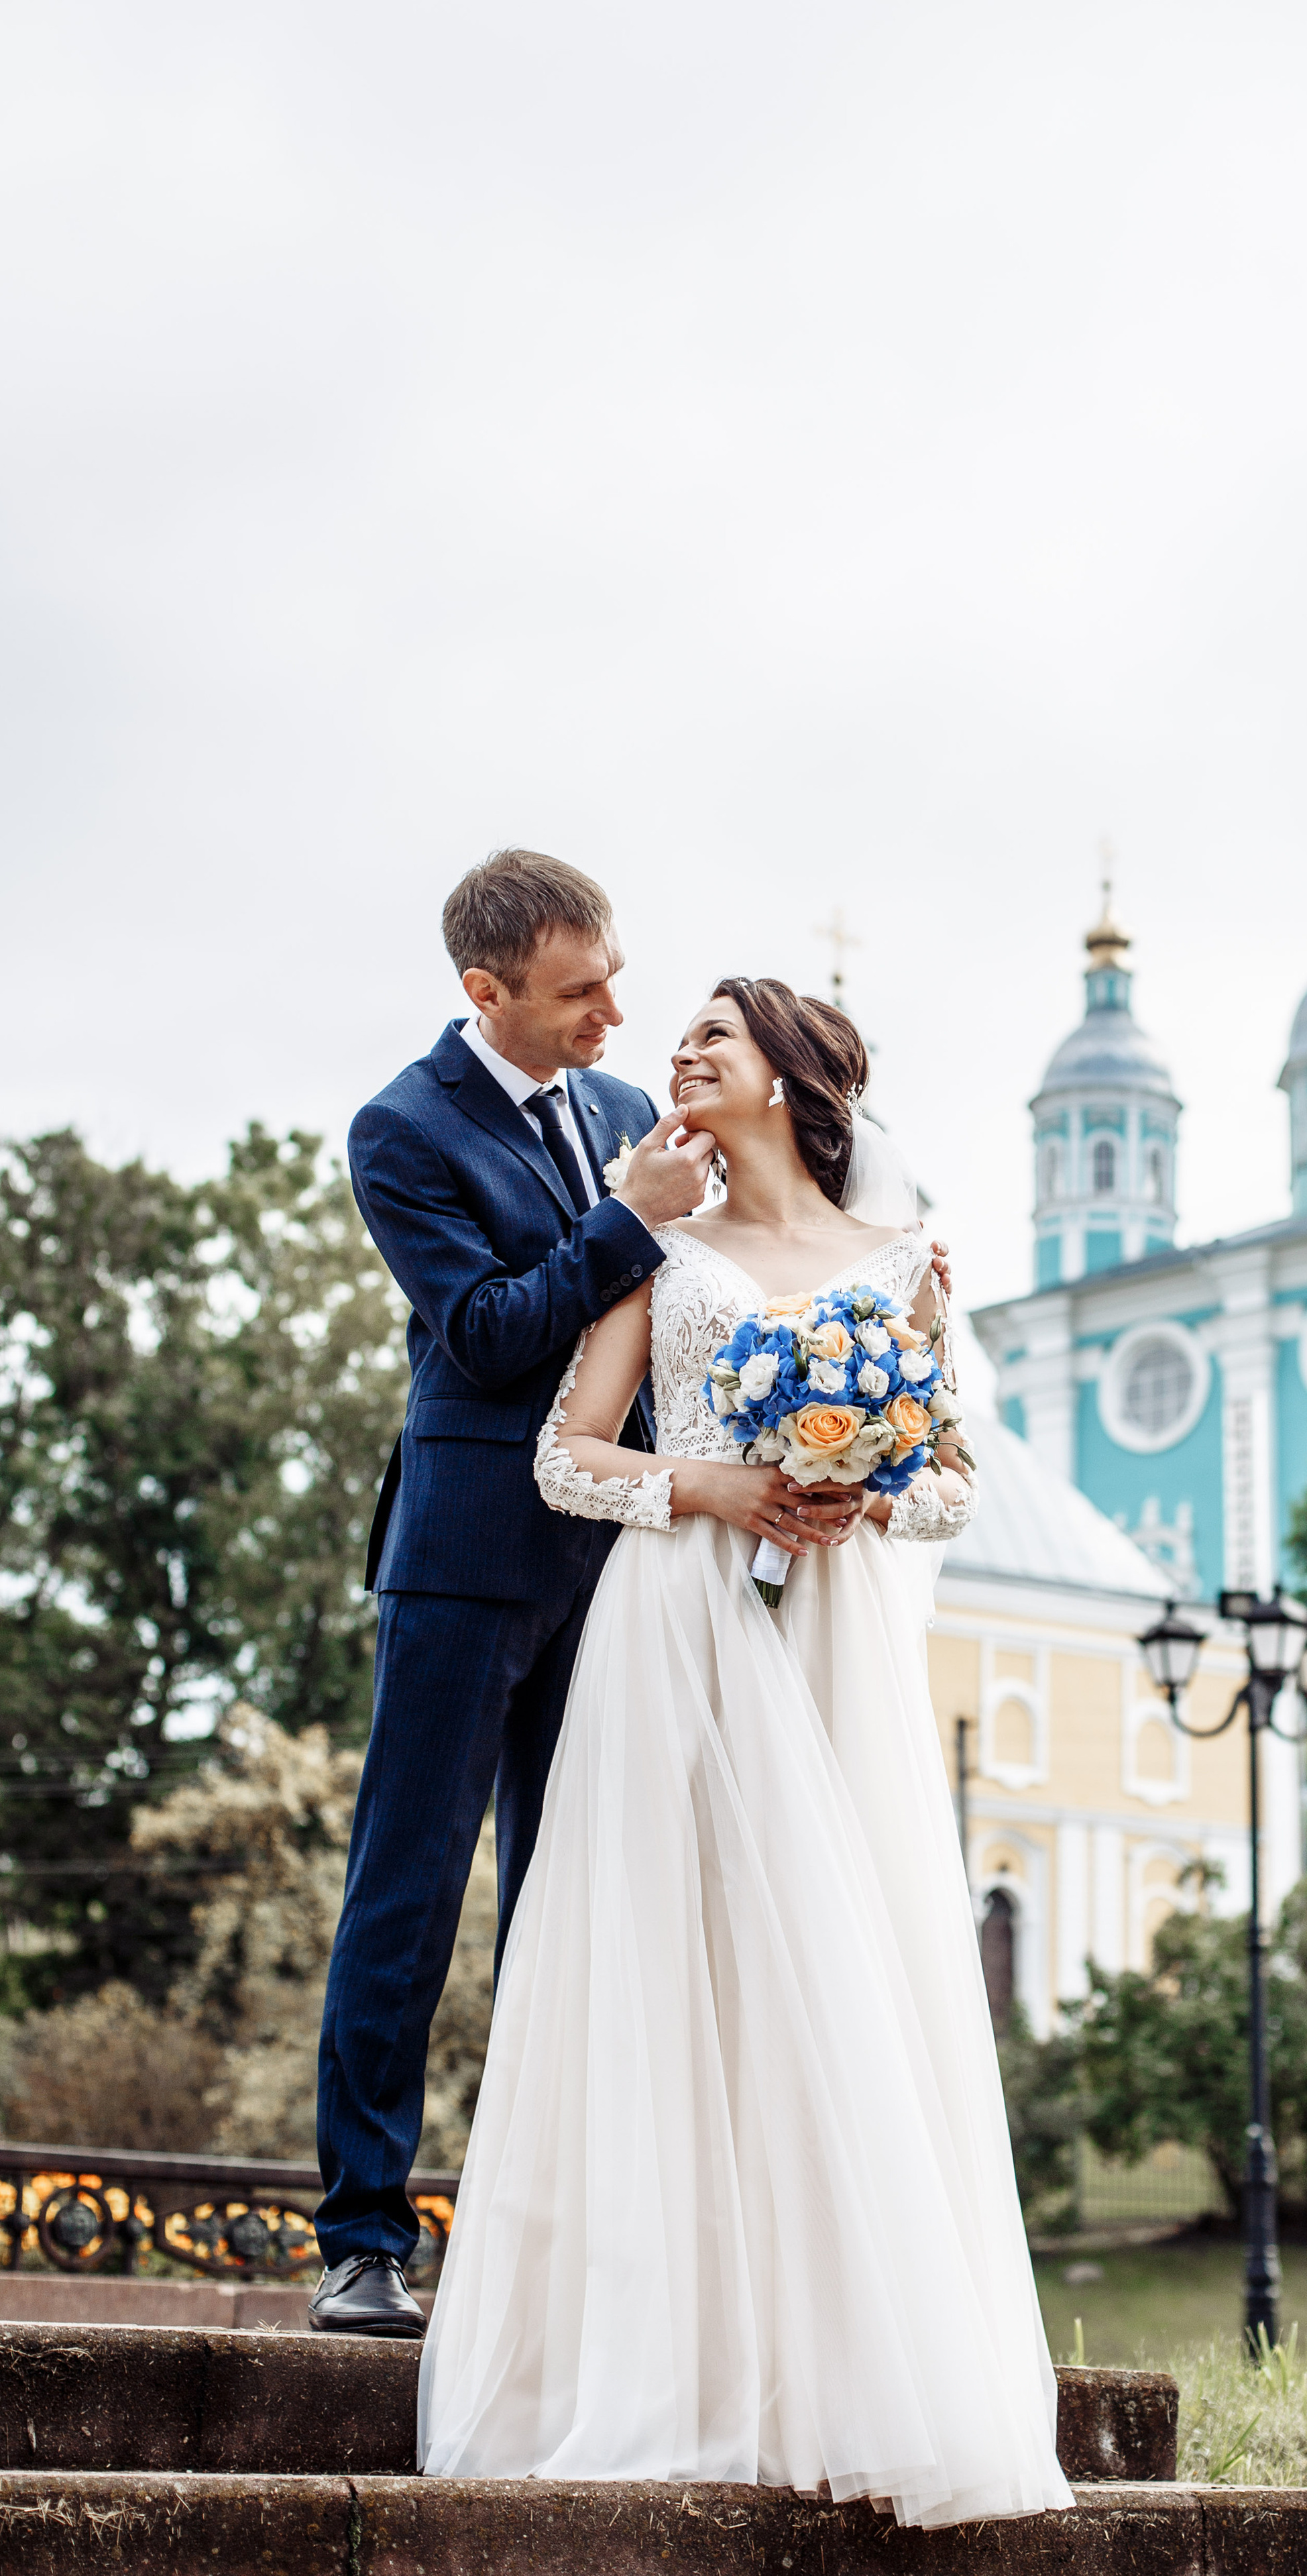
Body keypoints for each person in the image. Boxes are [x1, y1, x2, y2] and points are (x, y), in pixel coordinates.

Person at [416, 976, 1072, 2526]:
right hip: (675, 1638)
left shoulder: (906, 1264)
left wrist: (851, 1490)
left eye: (712, 1036)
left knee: (836, 1975)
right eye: (680, 1040)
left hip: (826, 1646)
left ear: (783, 1074)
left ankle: (833, 2374)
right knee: (674, 1971)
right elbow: (566, 1456)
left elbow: (952, 1486)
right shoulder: (657, 1249)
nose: (681, 1054)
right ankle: (666, 2372)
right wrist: (709, 1489)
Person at [310, 850, 859, 2336]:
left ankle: (553, 2245)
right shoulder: (401, 1133)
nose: (618, 1008)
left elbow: (716, 1296)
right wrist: (627, 1219)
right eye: (578, 991)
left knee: (584, 1897)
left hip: (629, 1565)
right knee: (408, 1898)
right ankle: (362, 2239)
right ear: (484, 993)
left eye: (615, 972)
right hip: (469, 1560)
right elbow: (488, 1338)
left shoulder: (631, 1110)